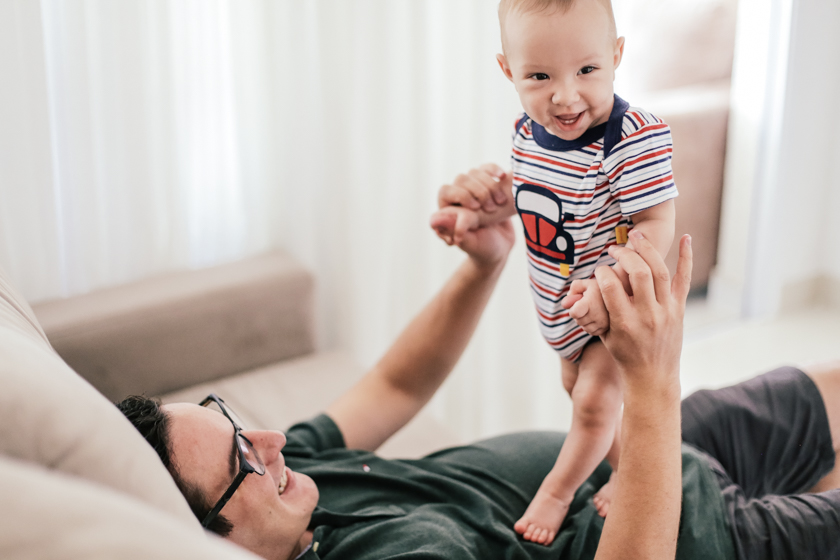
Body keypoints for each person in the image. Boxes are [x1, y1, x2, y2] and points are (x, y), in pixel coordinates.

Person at [118, 171, 840, 560]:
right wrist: (651, 381)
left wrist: (484, 263)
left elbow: (395, 385)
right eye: (244, 462)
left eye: (237, 426)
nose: (269, 442)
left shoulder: (293, 483)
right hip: (692, 537)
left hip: (640, 457)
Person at [429, 0, 678, 543]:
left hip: (611, 306)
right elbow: (536, 200)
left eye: (587, 70)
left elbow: (656, 221)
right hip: (556, 307)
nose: (565, 96)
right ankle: (621, 471)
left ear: (615, 56)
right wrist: (484, 211)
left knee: (593, 403)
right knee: (579, 390)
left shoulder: (629, 137)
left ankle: (558, 492)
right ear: (507, 71)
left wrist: (610, 285)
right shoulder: (527, 130)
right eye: (539, 76)